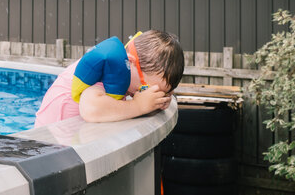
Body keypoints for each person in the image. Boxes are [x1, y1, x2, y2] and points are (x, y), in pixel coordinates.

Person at [34, 30, 184, 127]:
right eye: (145, 88)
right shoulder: (110, 70)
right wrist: (138, 105)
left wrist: (155, 103)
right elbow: (90, 109)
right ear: (130, 62)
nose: (149, 93)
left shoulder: (129, 74)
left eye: (162, 92)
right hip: (47, 142)